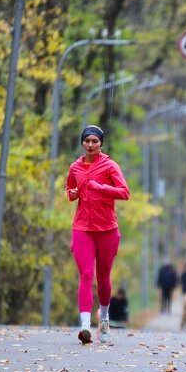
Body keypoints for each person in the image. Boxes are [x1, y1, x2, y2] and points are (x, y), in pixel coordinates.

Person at [67, 125, 130, 344]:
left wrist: (100, 187)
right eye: (87, 141)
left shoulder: (110, 165)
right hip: (82, 228)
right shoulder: (75, 167)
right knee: (85, 275)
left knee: (103, 278)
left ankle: (103, 318)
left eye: (95, 141)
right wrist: (72, 193)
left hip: (107, 230)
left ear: (101, 143)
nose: (91, 145)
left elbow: (125, 192)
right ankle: (85, 325)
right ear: (82, 143)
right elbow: (71, 191)